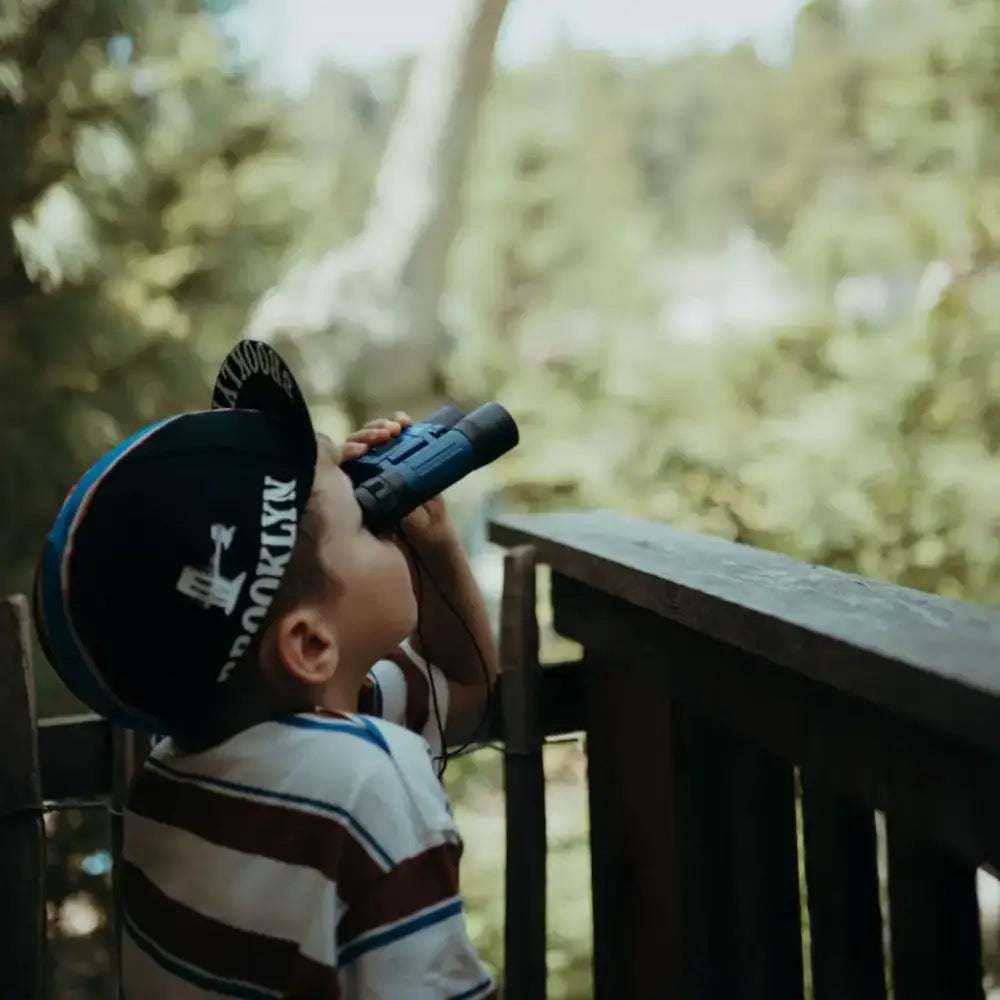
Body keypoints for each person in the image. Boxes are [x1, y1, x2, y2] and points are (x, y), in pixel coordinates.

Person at [33, 339, 499, 999]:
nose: (385, 516)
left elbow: (466, 691)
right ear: (308, 647)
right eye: (364, 519)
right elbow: (472, 690)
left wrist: (433, 545)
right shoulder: (369, 781)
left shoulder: (178, 770)